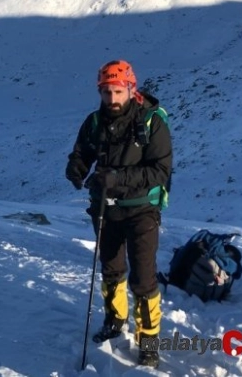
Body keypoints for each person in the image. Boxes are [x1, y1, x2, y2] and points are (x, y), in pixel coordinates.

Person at [65, 60, 172, 368]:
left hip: (142, 210)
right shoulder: (94, 122)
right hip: (105, 208)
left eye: (117, 91)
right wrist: (76, 168)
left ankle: (149, 341)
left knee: (143, 278)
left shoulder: (152, 122)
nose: (112, 99)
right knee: (112, 270)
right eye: (106, 92)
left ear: (130, 88)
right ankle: (115, 321)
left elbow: (160, 171)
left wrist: (117, 180)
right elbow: (82, 152)